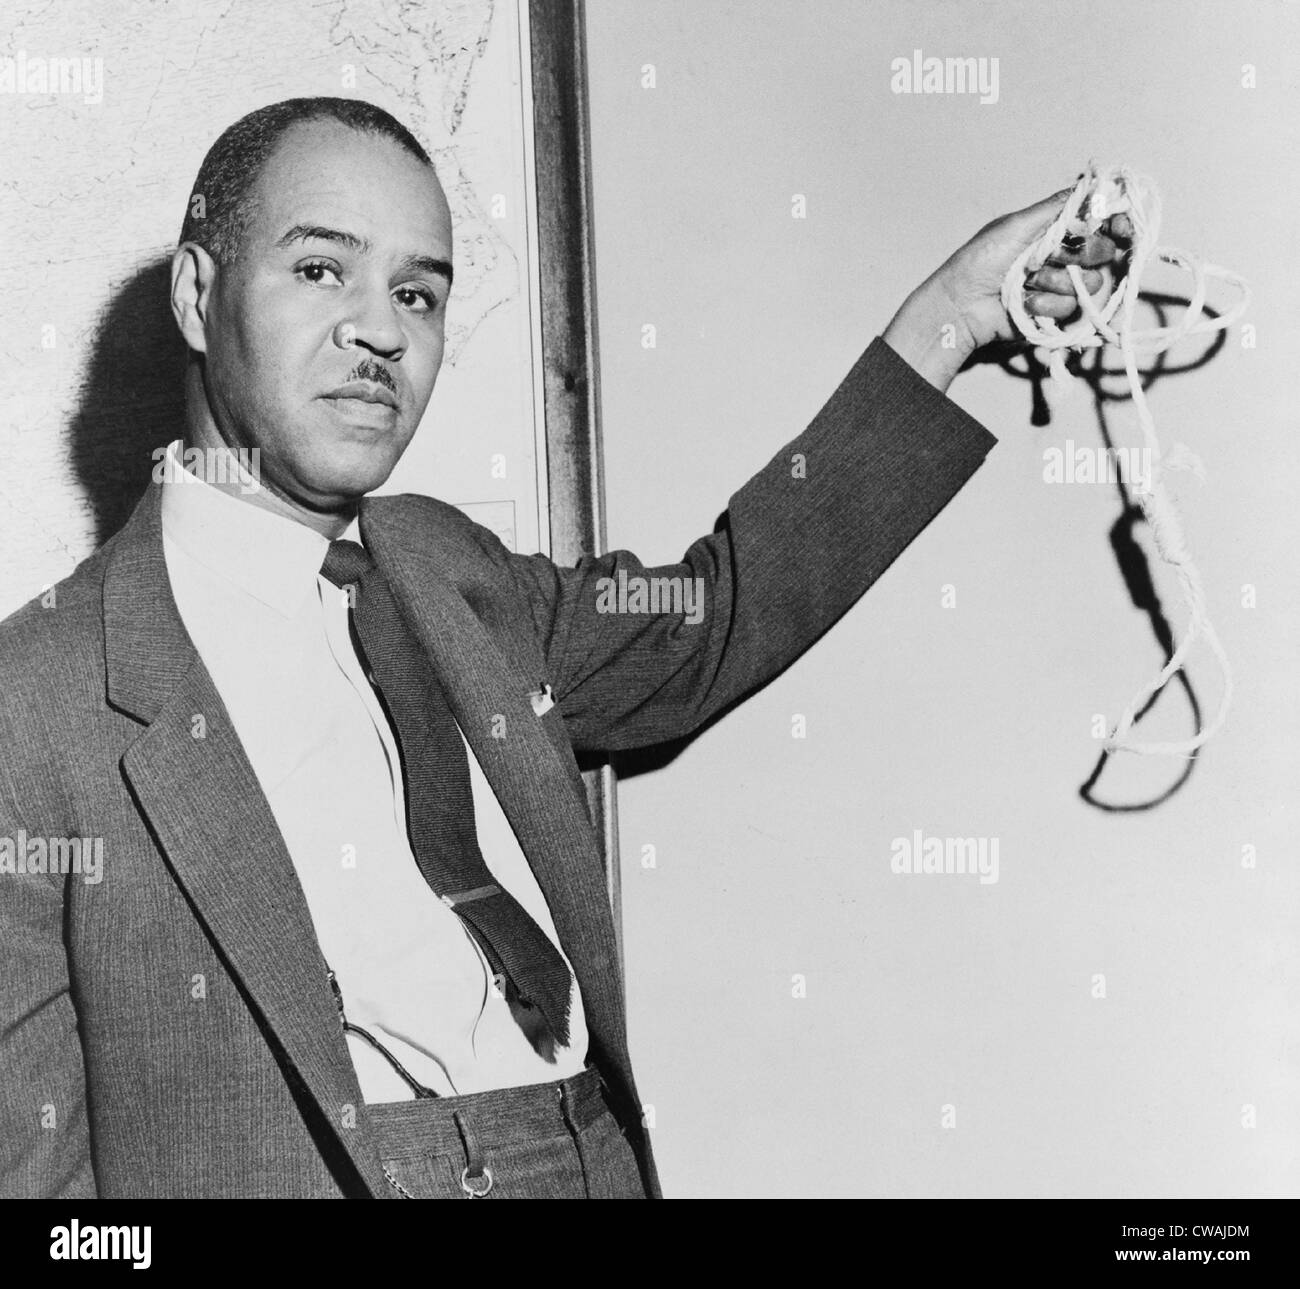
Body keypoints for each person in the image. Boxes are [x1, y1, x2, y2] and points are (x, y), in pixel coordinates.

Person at [0, 97, 1127, 1198]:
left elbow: (712, 616)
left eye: (417, 292)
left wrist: (952, 316)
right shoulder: (35, 696)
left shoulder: (452, 567)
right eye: (318, 269)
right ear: (199, 296)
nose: (381, 329)